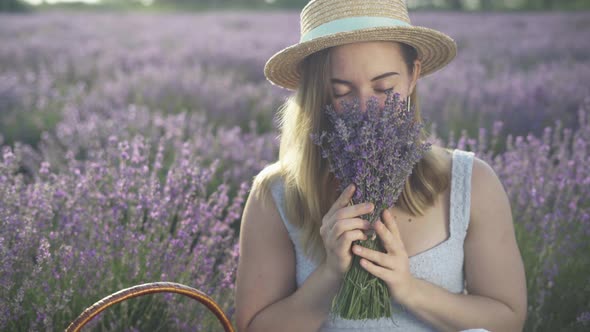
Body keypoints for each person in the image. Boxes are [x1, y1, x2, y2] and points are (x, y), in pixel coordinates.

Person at [234, 0, 527, 331]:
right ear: (317, 93)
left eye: (384, 88)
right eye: (341, 91)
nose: (364, 108)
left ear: (413, 75)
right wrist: (330, 275)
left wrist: (410, 289)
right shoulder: (276, 194)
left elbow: (508, 320)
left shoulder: (471, 183)